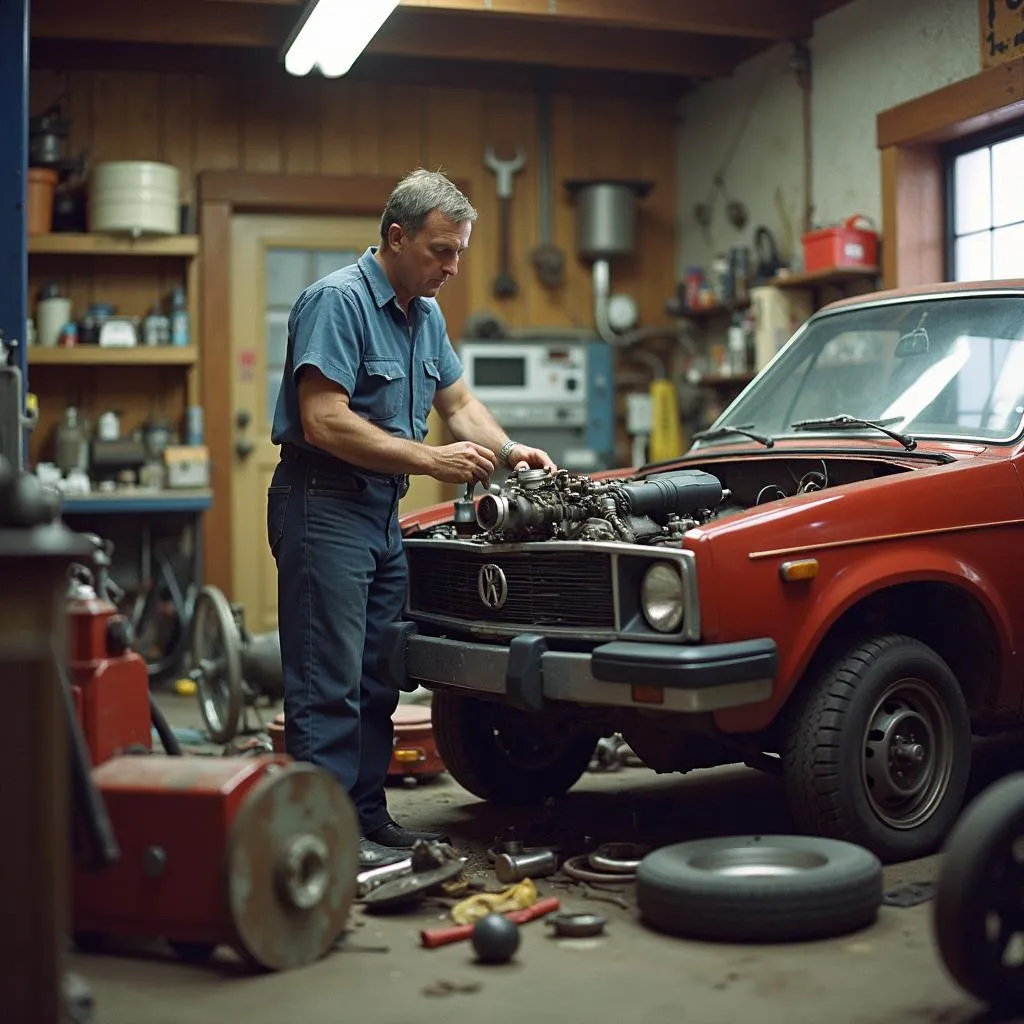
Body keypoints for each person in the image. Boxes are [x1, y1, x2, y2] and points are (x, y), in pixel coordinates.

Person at [267, 169, 555, 868]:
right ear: (396, 238)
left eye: (458, 252)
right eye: (440, 252)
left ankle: (367, 818)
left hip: (378, 514)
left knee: (375, 678)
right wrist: (431, 461)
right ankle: (329, 839)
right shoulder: (336, 302)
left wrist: (510, 450)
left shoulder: (424, 314)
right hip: (324, 503)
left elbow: (459, 406)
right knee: (325, 681)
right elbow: (324, 419)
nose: (452, 267)